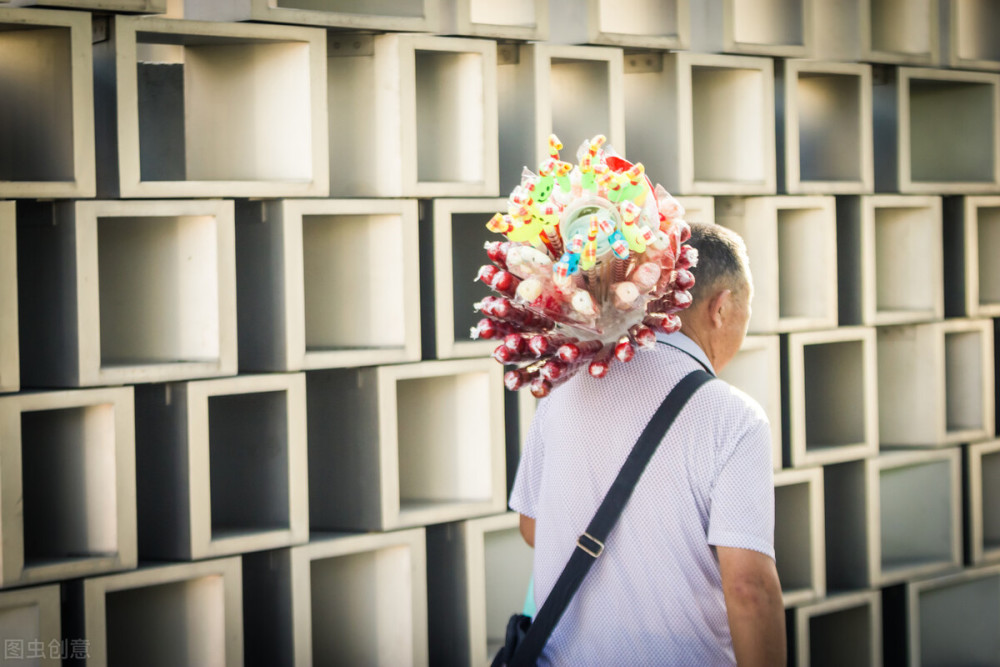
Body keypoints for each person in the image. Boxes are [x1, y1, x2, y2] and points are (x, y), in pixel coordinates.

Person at [509, 222, 785, 666]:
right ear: (721, 307)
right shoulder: (734, 418)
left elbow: (531, 526)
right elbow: (749, 590)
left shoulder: (569, 381)